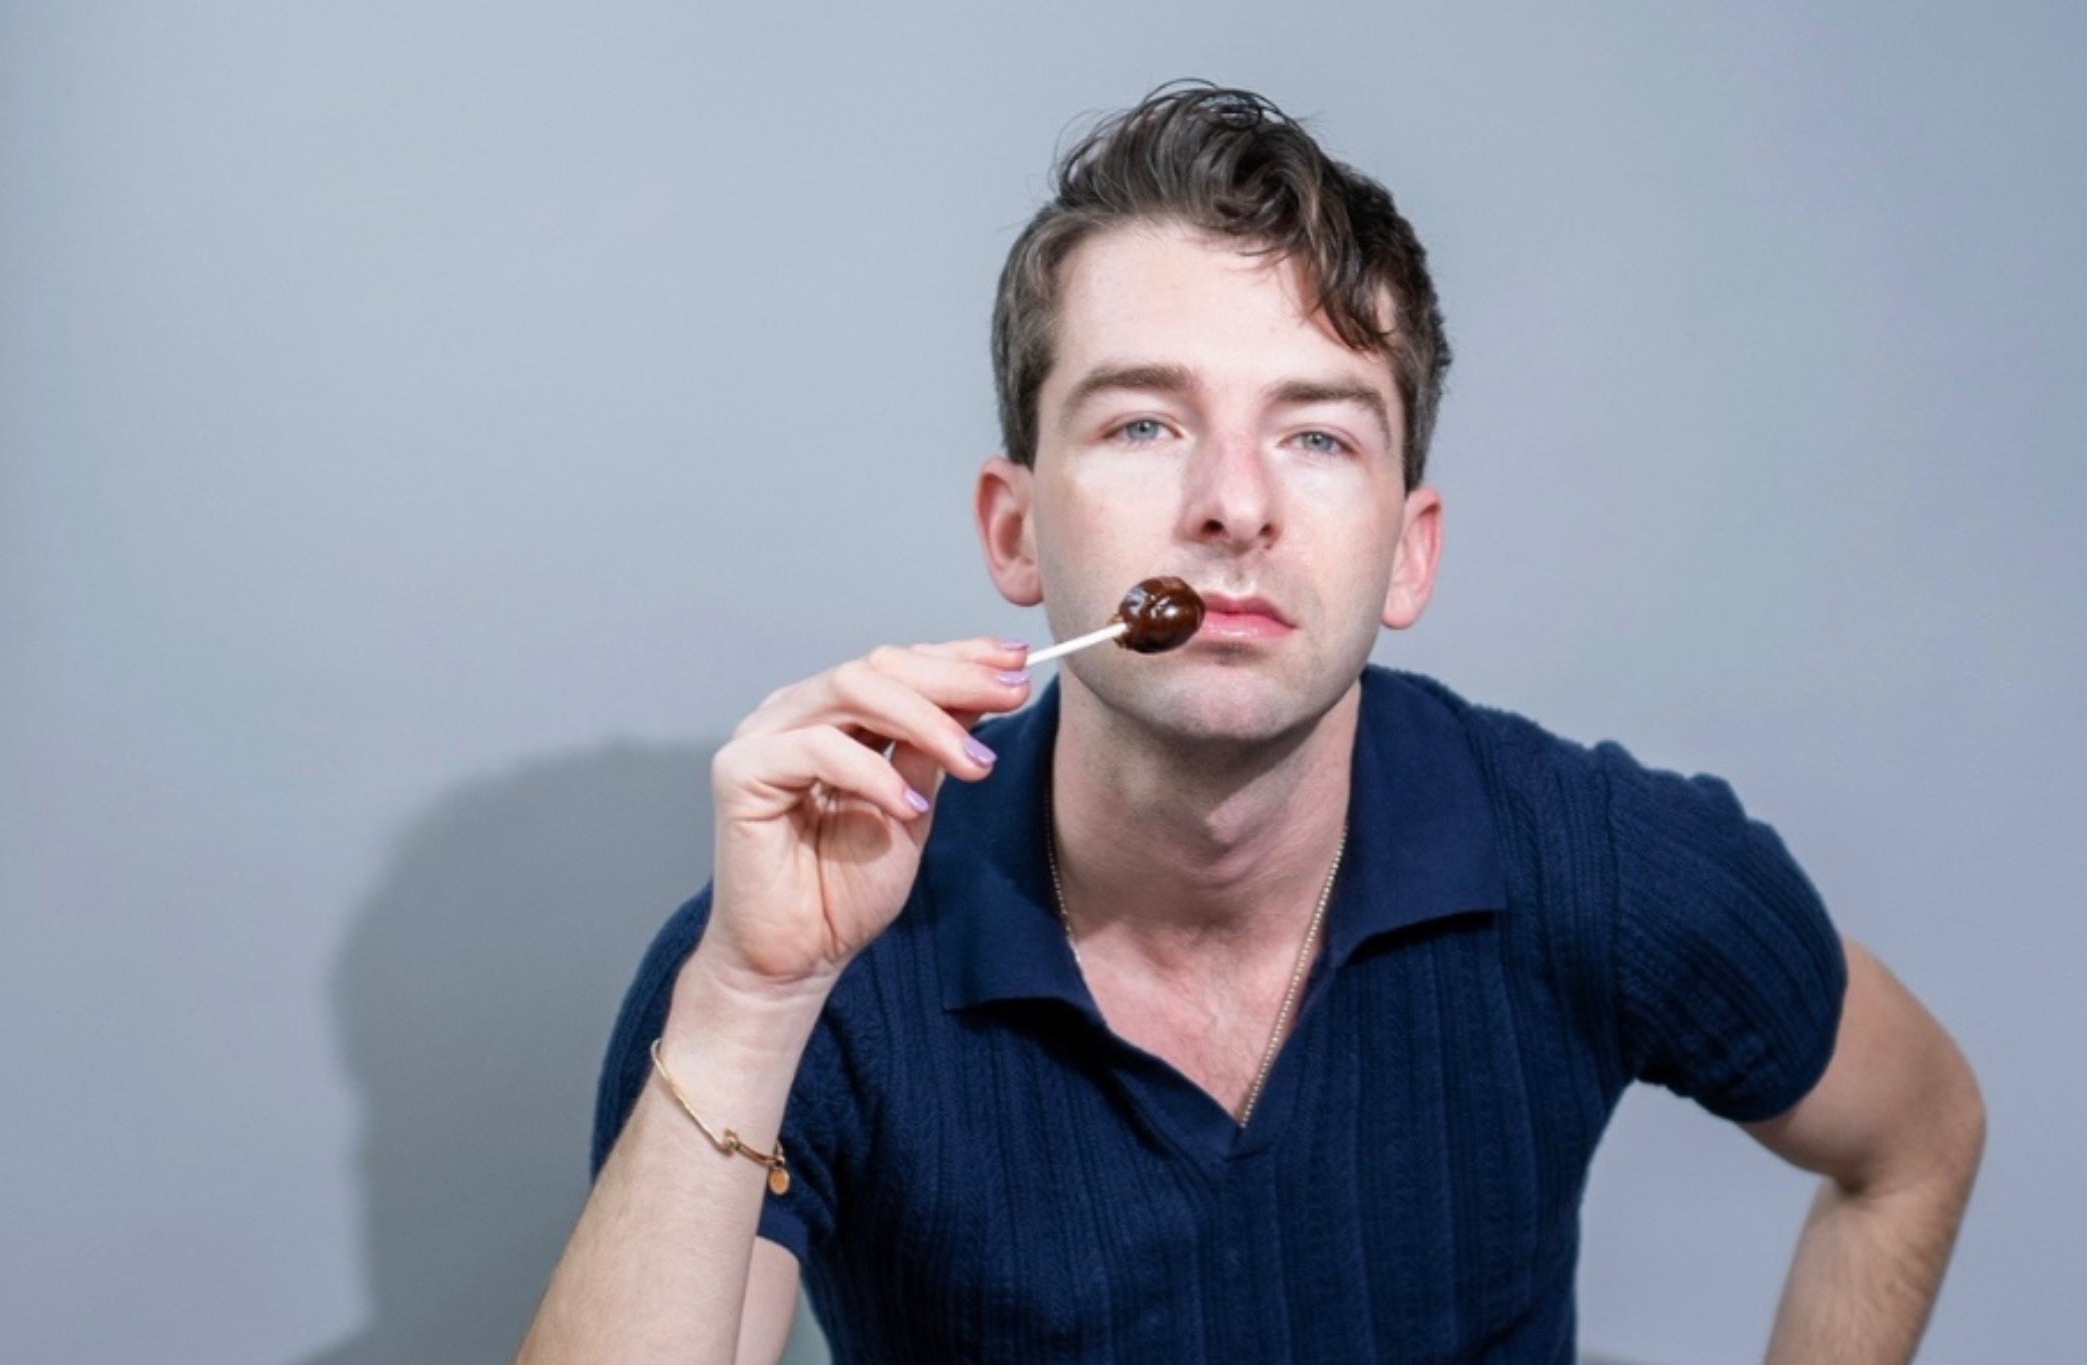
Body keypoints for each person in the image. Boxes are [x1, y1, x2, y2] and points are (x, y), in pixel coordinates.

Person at [515, 83, 1985, 1364]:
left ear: (1407, 554)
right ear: (1016, 531)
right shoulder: (806, 948)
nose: (1233, 502)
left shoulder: (1596, 861)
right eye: (1144, 423)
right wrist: (748, 1003)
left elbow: (1915, 1139)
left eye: (1317, 433)